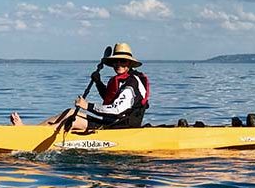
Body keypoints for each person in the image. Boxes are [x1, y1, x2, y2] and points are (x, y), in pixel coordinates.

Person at [10, 43, 150, 131]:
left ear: (129, 64)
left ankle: (36, 138)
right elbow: (110, 99)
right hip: (113, 121)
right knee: (70, 112)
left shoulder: (132, 83)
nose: (119, 64)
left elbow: (116, 110)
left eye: (123, 61)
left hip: (121, 126)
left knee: (74, 119)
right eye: (116, 62)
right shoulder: (122, 80)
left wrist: (87, 106)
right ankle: (29, 131)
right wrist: (98, 82)